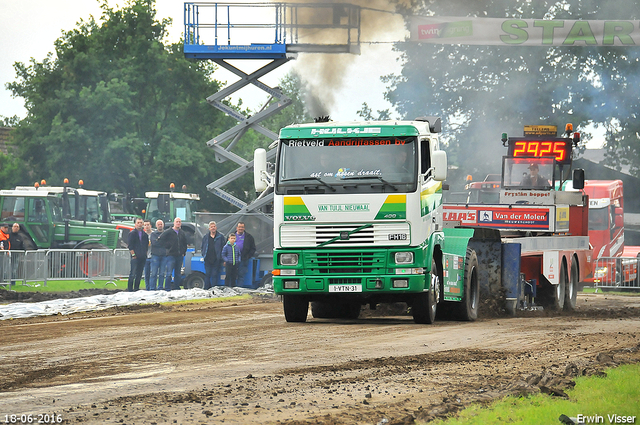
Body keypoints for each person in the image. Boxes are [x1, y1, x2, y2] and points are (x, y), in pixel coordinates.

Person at [157, 217, 188, 290]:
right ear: (174, 223)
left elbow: (185, 243)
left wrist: (183, 252)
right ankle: (167, 288)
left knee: (178, 273)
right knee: (169, 273)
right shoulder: (168, 231)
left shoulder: (182, 233)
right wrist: (167, 246)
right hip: (171, 255)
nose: (178, 223)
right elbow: (160, 239)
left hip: (179, 255)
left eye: (179, 222)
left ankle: (176, 287)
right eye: (177, 222)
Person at [126, 217, 149, 292]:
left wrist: (145, 254)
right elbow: (130, 245)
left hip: (142, 257)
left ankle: (136, 288)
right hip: (135, 257)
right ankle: (130, 289)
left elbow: (146, 245)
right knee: (133, 273)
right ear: (135, 224)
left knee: (139, 274)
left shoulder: (145, 235)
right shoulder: (132, 233)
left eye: (141, 223)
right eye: (138, 223)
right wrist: (133, 255)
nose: (139, 224)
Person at [201, 221, 225, 290]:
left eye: (214, 226)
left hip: (216, 259)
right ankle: (206, 289)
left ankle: (214, 289)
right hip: (207, 259)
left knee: (214, 275)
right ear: (209, 228)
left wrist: (222, 258)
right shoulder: (206, 237)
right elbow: (202, 247)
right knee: (207, 274)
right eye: (211, 227)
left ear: (216, 227)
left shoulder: (220, 237)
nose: (213, 228)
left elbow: (223, 247)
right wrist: (203, 254)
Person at [235, 221, 256, 287]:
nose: (240, 228)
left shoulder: (249, 237)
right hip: (232, 259)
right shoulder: (232, 235)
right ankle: (231, 288)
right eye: (239, 227)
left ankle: (239, 288)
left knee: (241, 274)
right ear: (236, 228)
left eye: (242, 227)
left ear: (244, 228)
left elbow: (253, 248)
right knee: (232, 274)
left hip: (243, 259)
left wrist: (248, 256)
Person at [148, 219, 165, 291]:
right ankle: (152, 288)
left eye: (161, 224)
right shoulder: (153, 234)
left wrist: (159, 240)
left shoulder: (166, 233)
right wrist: (161, 242)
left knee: (162, 273)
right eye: (158, 224)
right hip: (155, 255)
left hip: (164, 256)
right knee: (154, 273)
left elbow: (167, 243)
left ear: (163, 225)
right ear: (156, 225)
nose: (160, 226)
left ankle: (160, 288)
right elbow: (154, 243)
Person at [143, 219, 153, 290]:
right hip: (145, 257)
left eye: (148, 225)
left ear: (150, 226)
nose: (146, 226)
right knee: (146, 274)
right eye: (145, 225)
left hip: (153, 256)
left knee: (153, 274)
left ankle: (152, 287)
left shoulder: (154, 234)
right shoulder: (143, 235)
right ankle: (147, 288)